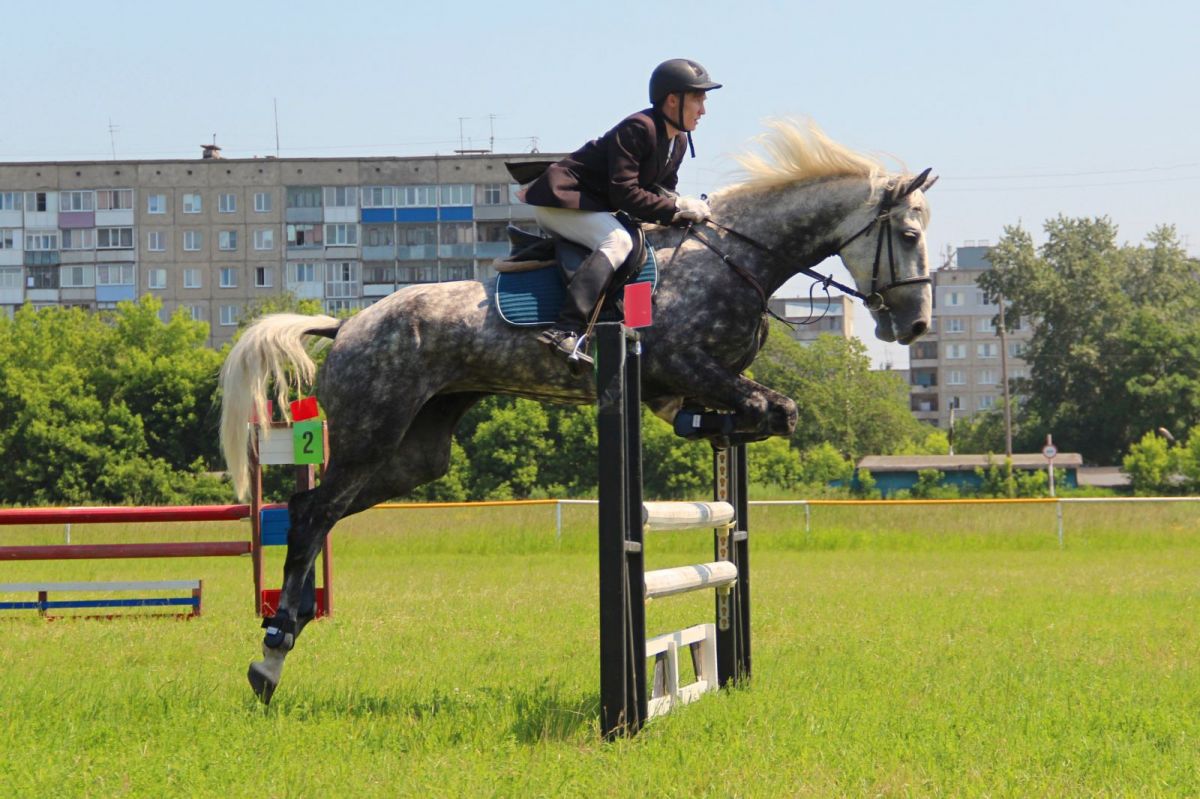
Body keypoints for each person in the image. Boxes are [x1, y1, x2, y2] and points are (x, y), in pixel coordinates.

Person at [520, 58, 721, 365]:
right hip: (560, 202)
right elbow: (624, 192)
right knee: (619, 242)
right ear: (672, 100)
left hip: (595, 206)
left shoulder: (677, 141)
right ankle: (564, 331)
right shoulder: (638, 128)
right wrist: (675, 208)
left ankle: (635, 325)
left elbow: (661, 191)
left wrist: (684, 208)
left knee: (648, 245)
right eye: (698, 100)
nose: (703, 110)